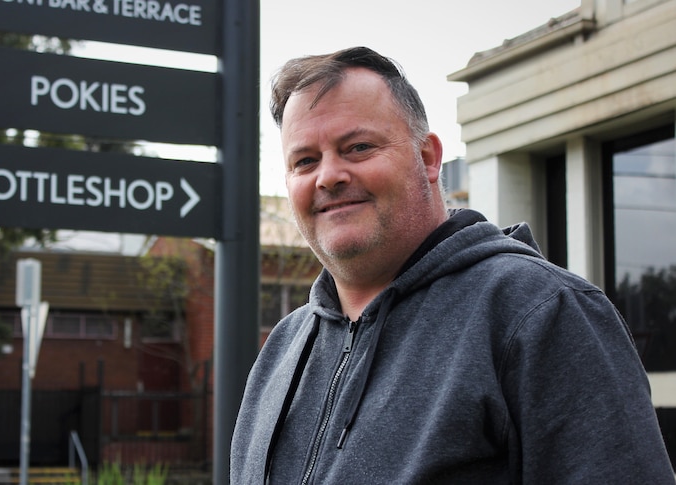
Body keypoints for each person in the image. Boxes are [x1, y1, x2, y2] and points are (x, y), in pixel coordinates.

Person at [230, 46, 675, 484]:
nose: (328, 176)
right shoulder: (282, 350)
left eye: (358, 147)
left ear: (427, 158)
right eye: (305, 160)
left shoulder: (541, 313)